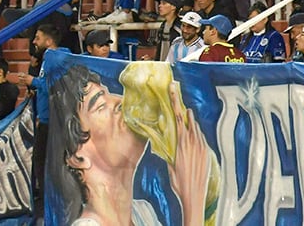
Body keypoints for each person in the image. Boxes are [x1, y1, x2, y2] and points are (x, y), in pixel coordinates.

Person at [47, 63, 210, 225]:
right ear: (77, 157)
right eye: (101, 105)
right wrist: (193, 201)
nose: (121, 101)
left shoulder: (143, 213)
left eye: (110, 94)